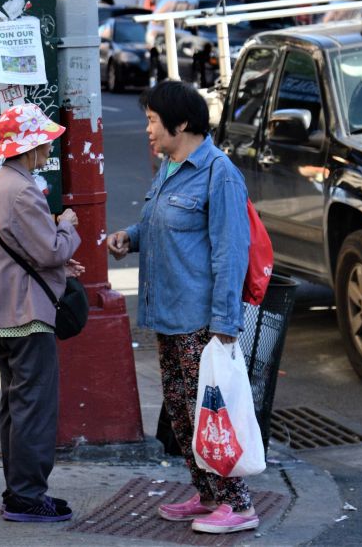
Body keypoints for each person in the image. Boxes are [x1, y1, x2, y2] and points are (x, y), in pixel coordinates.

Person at [107, 80, 257, 536]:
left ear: (182, 122)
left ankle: (238, 503)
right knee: (181, 410)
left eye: (153, 120)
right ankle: (207, 493)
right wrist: (129, 237)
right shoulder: (171, 167)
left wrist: (225, 324)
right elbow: (159, 221)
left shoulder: (219, 173)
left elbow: (231, 253)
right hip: (168, 314)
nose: (148, 130)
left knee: (212, 411)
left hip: (200, 320)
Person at [0, 103, 84, 524]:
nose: (48, 149)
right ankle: (28, 496)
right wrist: (67, 223)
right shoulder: (24, 189)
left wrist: (56, 253)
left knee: (16, 405)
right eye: (44, 142)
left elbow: (19, 251)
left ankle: (20, 492)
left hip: (5, 309)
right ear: (30, 146)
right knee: (34, 406)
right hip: (27, 313)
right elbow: (52, 248)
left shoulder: (1, 184)